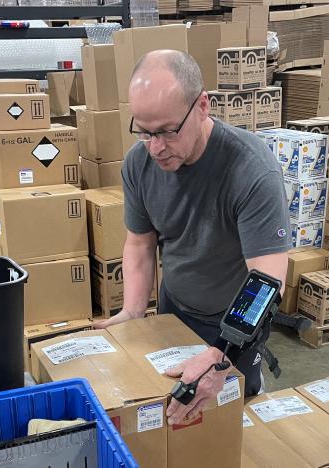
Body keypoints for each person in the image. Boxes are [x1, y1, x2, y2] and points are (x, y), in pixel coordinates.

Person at [93, 50, 290, 425]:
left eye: (167, 131)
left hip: (233, 325)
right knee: (175, 418)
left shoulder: (251, 169)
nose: (155, 148)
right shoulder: (139, 163)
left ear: (202, 106)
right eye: (144, 131)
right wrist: (133, 311)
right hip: (176, 310)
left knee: (233, 419)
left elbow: (267, 283)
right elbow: (139, 242)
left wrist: (221, 354)